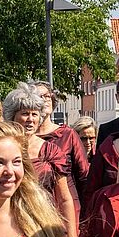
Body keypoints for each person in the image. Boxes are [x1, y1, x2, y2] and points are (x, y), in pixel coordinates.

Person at [3, 82, 77, 237]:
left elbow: (65, 198)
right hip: (9, 226)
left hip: (45, 229)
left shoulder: (51, 151)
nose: (30, 119)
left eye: (34, 114)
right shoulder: (2, 148)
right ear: (12, 116)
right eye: (25, 114)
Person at [35, 81, 89, 219]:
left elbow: (83, 175)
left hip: (66, 206)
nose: (45, 100)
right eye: (39, 96)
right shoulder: (25, 138)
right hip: (36, 206)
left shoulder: (67, 134)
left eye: (48, 96)